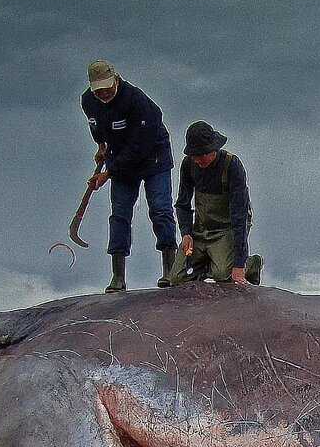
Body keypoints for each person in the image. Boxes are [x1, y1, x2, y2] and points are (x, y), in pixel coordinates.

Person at [81, 60, 179, 292]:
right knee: (119, 215)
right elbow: (96, 125)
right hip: (119, 157)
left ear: (115, 79)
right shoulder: (88, 101)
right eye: (98, 89)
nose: (103, 93)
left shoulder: (137, 102)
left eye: (107, 87)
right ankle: (118, 277)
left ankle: (170, 271)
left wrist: (109, 173)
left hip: (152, 156)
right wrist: (101, 146)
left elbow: (139, 147)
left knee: (160, 209)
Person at [172, 120, 263, 285]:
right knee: (176, 278)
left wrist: (239, 264)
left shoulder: (232, 166)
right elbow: (182, 204)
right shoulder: (188, 165)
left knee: (224, 275)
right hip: (200, 229)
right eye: (194, 155)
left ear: (214, 148)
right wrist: (186, 232)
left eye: (203, 154)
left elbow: (240, 217)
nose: (198, 160)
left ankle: (252, 264)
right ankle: (209, 262)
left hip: (226, 229)